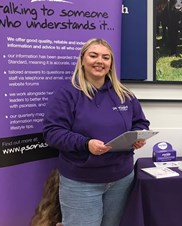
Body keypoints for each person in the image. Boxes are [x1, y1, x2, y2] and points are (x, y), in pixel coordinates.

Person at [43, 38, 150, 226]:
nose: (100, 61)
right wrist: (86, 144)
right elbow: (52, 132)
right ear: (82, 60)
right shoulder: (67, 94)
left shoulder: (124, 95)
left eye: (105, 57)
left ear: (111, 64)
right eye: (93, 56)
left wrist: (138, 136)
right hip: (81, 183)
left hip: (121, 180)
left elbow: (140, 122)